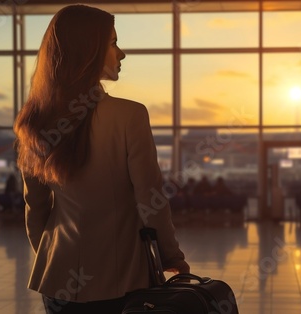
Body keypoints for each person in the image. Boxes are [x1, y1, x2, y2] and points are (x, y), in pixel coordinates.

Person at [13, 5, 189, 313]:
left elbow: (36, 210)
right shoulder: (129, 115)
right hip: (121, 282)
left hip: (57, 281)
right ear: (88, 51)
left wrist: (53, 257)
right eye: (112, 43)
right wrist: (171, 257)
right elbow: (150, 200)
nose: (121, 54)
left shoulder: (34, 122)